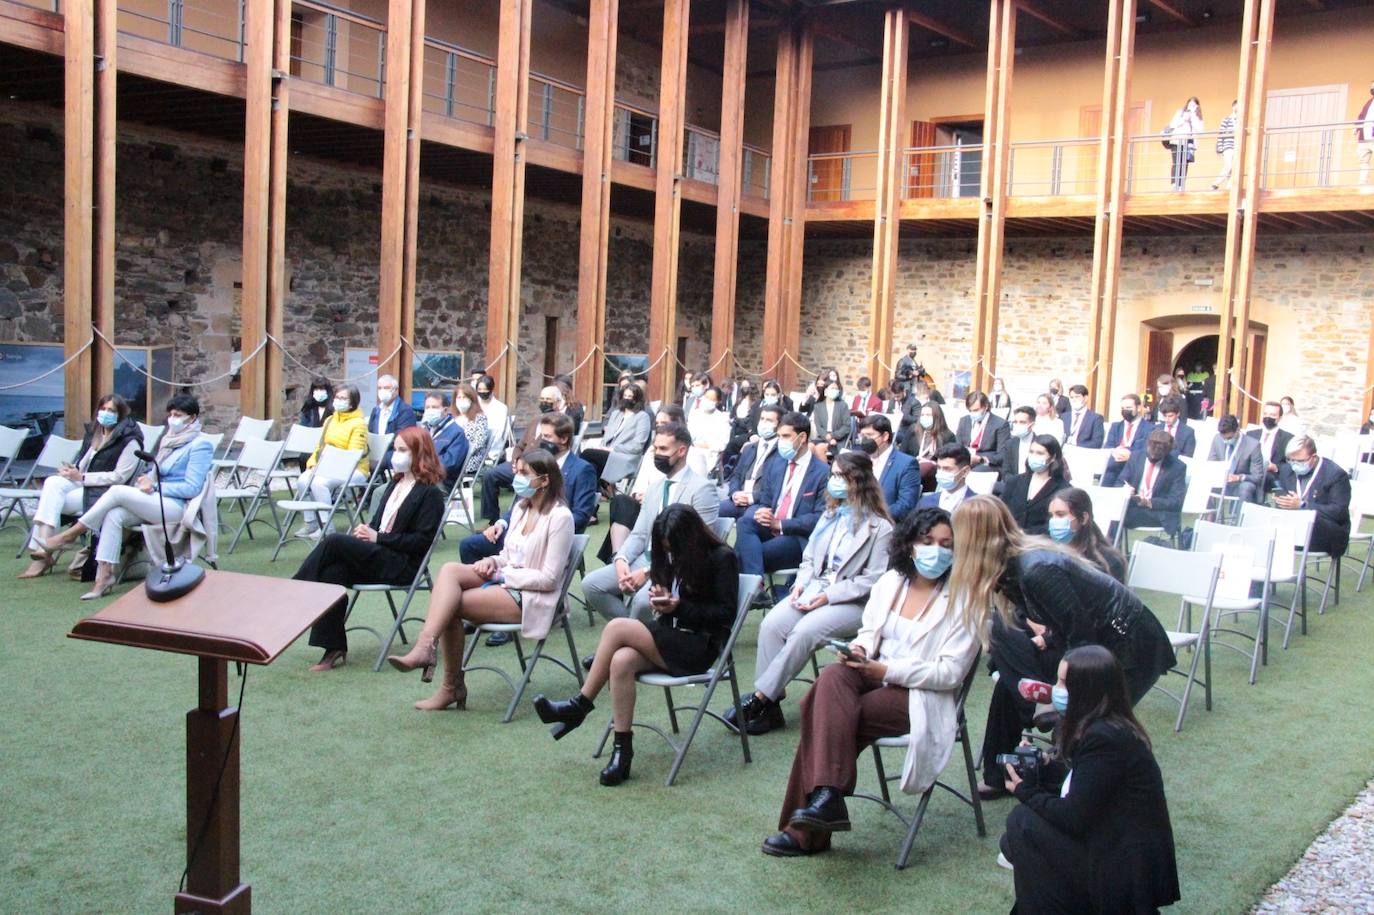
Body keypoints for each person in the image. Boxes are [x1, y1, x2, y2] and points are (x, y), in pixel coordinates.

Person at [759, 507, 983, 857]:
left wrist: (885, 672)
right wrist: (859, 651)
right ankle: (828, 798)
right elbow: (868, 634)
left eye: (946, 544)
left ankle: (808, 828)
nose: (936, 550)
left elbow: (949, 674)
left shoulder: (965, 599)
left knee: (825, 714)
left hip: (920, 695)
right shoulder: (892, 582)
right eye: (927, 541)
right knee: (833, 676)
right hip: (873, 673)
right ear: (910, 544)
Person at [952, 495, 1175, 798]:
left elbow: (1082, 637)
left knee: (1088, 723)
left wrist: (1066, 688)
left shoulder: (1036, 569)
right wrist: (1047, 645)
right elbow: (1068, 625)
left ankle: (1077, 789)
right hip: (1095, 640)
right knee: (1007, 671)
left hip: (1130, 647)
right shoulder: (1012, 566)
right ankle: (1000, 772)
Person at [533, 504, 739, 786]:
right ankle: (622, 751)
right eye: (665, 548)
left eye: (674, 548)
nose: (670, 554)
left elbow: (725, 615)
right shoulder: (672, 553)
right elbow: (670, 593)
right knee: (621, 661)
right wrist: (661, 596)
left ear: (690, 539)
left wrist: (678, 608)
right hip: (670, 636)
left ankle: (579, 706)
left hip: (699, 646)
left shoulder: (722, 558)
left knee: (618, 627)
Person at [387, 449, 574, 709]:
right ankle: (425, 648)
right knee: (450, 571)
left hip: (534, 596)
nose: (516, 478)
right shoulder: (520, 508)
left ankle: (450, 686)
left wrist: (502, 572)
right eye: (516, 472)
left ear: (544, 481)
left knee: (450, 605)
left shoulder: (561, 517)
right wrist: (492, 561)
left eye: (524, 474)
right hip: (506, 581)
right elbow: (508, 555)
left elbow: (550, 579)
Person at [1000, 645, 1180, 915]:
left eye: (1063, 683)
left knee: (1023, 823)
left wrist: (1024, 790)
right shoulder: (1110, 727)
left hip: (1125, 867)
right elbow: (1090, 783)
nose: (1055, 689)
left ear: (1086, 690)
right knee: (1018, 834)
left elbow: (1074, 816)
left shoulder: (1104, 737)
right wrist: (1045, 765)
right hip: (1118, 849)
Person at [732, 452, 893, 736]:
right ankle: (772, 706)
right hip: (813, 588)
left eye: (839, 476)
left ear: (858, 481)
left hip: (852, 602)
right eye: (832, 475)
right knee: (771, 625)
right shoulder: (831, 515)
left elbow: (874, 580)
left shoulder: (881, 528)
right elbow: (808, 559)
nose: (833, 481)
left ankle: (760, 700)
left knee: (803, 631)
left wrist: (829, 595)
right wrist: (800, 585)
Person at [296, 427, 446, 671]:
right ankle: (333, 647)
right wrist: (367, 532)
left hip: (403, 564)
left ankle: (295, 592)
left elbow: (421, 542)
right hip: (379, 556)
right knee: (333, 572)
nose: (395, 455)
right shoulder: (394, 484)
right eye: (394, 449)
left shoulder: (430, 494)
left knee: (334, 541)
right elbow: (377, 525)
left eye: (402, 450)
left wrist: (378, 538)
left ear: (419, 453)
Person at [44, 394, 215, 600]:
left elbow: (192, 488)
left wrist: (156, 486)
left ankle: (72, 533)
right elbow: (156, 472)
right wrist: (146, 480)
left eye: (177, 415)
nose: (172, 419)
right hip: (156, 502)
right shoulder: (169, 439)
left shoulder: (200, 445)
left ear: (192, 417)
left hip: (177, 506)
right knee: (114, 514)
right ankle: (104, 576)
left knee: (116, 491)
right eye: (170, 414)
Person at [581, 422, 718, 623]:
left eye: (663, 449)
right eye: (655, 448)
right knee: (591, 585)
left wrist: (648, 572)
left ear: (681, 451)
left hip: (678, 566)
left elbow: (698, 546)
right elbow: (640, 534)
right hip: (645, 559)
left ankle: (630, 641)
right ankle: (634, 634)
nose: (657, 454)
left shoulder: (702, 489)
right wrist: (621, 560)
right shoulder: (655, 488)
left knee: (642, 602)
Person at [20, 394, 143, 580]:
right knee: (52, 482)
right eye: (103, 409)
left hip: (103, 492)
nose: (105, 413)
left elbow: (120, 477)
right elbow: (84, 464)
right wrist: (72, 471)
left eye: (111, 411)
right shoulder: (96, 432)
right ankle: (44, 548)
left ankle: (43, 554)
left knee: (52, 501)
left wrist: (82, 477)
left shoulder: (129, 440)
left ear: (120, 415)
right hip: (83, 484)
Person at [460, 411, 597, 567]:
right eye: (541, 436)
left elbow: (581, 515)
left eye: (547, 437)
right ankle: (486, 586)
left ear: (564, 439)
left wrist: (543, 526)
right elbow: (522, 503)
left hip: (548, 539)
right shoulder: (537, 463)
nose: (542, 441)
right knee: (469, 545)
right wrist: (501, 523)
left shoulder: (582, 470)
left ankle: (496, 586)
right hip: (519, 532)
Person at [734, 411, 831, 599]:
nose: (780, 442)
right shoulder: (776, 465)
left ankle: (753, 588)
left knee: (745, 555)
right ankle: (757, 589)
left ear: (802, 437)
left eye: (786, 436)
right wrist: (762, 512)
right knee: (745, 522)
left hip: (797, 536)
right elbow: (766, 500)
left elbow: (820, 517)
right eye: (779, 436)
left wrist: (780, 524)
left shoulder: (822, 472)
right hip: (770, 526)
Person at [476, 384, 573, 525]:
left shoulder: (559, 426)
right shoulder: (535, 421)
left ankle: (518, 520)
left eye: (548, 400)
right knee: (490, 475)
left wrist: (525, 468)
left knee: (528, 483)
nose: (545, 402)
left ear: (558, 403)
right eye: (542, 399)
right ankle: (493, 520)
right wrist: (516, 462)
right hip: (519, 464)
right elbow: (520, 445)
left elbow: (551, 453)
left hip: (537, 468)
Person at [294, 384, 370, 540]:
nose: (339, 401)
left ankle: (326, 526)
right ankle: (311, 522)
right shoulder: (330, 420)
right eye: (337, 397)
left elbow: (352, 455)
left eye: (343, 398)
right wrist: (313, 463)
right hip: (327, 466)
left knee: (318, 483)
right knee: (303, 480)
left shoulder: (359, 424)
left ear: (352, 402)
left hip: (353, 469)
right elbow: (319, 446)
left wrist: (326, 467)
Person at [1277, 435, 1351, 559]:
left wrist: (1303, 505)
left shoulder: (1335, 475)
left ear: (1314, 457)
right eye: (1290, 460)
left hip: (1328, 531)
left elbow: (1339, 512)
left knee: (1310, 522)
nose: (1294, 465)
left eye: (1300, 461)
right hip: (1294, 528)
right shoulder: (1286, 470)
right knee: (1268, 530)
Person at [1115, 429, 1188, 538]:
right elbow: (1119, 482)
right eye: (1150, 455)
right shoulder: (1136, 457)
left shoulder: (1177, 467)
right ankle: (1110, 548)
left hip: (1157, 512)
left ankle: (1111, 549)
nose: (1152, 458)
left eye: (1156, 458)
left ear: (1166, 453)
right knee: (1111, 511)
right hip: (1133, 506)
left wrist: (1149, 502)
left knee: (1118, 516)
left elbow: (1176, 501)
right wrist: (1125, 489)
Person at [1047, 488, 1128, 582]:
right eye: (1051, 515)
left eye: (1060, 515)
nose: (1053, 521)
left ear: (1084, 518)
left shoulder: (1109, 560)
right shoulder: (1049, 555)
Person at [719, 405, 784, 520]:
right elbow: (736, 476)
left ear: (779, 425)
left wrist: (751, 497)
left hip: (760, 503)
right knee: (710, 511)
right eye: (762, 419)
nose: (764, 423)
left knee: (746, 521)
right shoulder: (750, 448)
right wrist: (735, 494)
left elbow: (777, 487)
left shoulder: (781, 452)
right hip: (738, 499)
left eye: (769, 420)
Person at [1000, 435, 1072, 536]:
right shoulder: (1014, 481)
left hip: (1039, 543)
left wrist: (1025, 533)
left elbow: (1055, 525)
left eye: (1040, 453)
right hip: (1009, 538)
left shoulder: (1064, 489)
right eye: (1031, 452)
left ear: (1052, 458)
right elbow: (1001, 511)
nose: (1034, 456)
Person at [855, 414, 921, 522]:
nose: (865, 440)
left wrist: (874, 516)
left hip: (885, 525)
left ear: (885, 436)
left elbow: (905, 505)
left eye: (869, 435)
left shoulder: (906, 464)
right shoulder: (858, 459)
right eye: (862, 436)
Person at [581, 381, 651, 479]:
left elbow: (637, 446)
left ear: (636, 399)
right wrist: (602, 447)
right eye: (625, 395)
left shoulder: (642, 417)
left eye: (630, 396)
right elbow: (607, 438)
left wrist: (614, 448)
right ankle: (598, 491)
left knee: (587, 454)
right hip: (607, 453)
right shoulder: (616, 414)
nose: (626, 398)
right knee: (591, 466)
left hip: (624, 457)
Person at [1207, 414, 1265, 508]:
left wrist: (1239, 477)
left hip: (1239, 483)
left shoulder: (1253, 445)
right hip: (1220, 481)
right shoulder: (1217, 439)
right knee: (1200, 482)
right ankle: (1209, 516)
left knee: (1246, 488)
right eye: (1223, 438)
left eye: (1229, 438)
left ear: (1237, 430)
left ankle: (1239, 521)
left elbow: (1257, 476)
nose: (1226, 440)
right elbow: (1211, 463)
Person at [1100, 394, 1154, 488]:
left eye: (1128, 407)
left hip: (1133, 468)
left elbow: (1146, 450)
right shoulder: (1115, 426)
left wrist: (1130, 455)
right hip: (1113, 465)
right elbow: (1108, 446)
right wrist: (1115, 452)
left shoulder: (1149, 428)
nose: (1125, 411)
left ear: (1138, 408)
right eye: (1123, 408)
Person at [899, 401, 955, 491]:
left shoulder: (948, 436)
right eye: (922, 415)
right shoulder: (913, 430)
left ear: (937, 417)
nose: (924, 418)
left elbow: (949, 461)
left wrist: (932, 464)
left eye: (928, 415)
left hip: (933, 475)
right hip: (911, 470)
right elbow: (902, 453)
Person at [368, 373, 417, 471]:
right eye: (379, 388)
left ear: (395, 390)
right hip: (374, 452)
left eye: (386, 388)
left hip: (393, 452)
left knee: (372, 464)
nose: (382, 391)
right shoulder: (376, 410)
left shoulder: (405, 411)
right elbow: (370, 433)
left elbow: (402, 437)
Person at [419, 392, 469, 488]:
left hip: (441, 482)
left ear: (445, 410)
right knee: (383, 491)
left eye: (434, 407)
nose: (430, 411)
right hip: (420, 476)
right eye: (427, 407)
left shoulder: (457, 433)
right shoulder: (424, 429)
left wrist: (422, 463)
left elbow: (450, 463)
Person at [1247, 400, 1293, 493]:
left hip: (1271, 475)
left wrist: (1275, 467)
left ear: (1280, 418)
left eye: (1272, 415)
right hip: (1250, 473)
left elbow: (1291, 464)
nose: (1268, 417)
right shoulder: (1250, 434)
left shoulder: (1288, 438)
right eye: (1265, 414)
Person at [686, 385, 731, 477]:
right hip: (690, 453)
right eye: (706, 397)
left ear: (717, 402)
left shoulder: (722, 418)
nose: (707, 401)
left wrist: (705, 445)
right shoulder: (695, 414)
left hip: (710, 457)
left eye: (712, 399)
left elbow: (722, 444)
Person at [956, 391, 1009, 470]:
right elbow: (958, 445)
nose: (972, 413)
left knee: (977, 470)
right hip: (965, 460)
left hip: (987, 464)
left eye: (976, 410)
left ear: (986, 406)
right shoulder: (964, 421)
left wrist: (981, 459)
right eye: (970, 411)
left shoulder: (1000, 424)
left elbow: (1002, 454)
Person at [918, 443, 975, 512]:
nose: (941, 472)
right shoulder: (925, 502)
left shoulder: (978, 505)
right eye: (939, 468)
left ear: (965, 471)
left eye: (947, 469)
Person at [449, 382, 490, 478]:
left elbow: (479, 443)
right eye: (459, 397)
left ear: (471, 399)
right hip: (452, 456)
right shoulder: (452, 418)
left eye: (465, 397)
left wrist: (460, 453)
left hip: (470, 458)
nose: (461, 400)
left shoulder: (480, 418)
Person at [1165, 96, 1203, 191]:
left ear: (1197, 106)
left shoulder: (1198, 116)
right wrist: (1184, 118)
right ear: (1187, 104)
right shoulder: (1180, 113)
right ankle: (1174, 184)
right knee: (1176, 162)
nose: (1191, 106)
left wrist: (1193, 116)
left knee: (1184, 164)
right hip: (1176, 141)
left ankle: (1181, 185)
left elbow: (1200, 130)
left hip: (1188, 143)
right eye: (1190, 104)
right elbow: (1173, 124)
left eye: (1194, 105)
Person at [809, 377, 850, 460]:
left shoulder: (843, 405)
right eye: (832, 388)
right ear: (826, 391)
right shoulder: (818, 406)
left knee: (820, 449)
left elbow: (846, 426)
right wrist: (826, 437)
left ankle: (825, 472)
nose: (835, 390)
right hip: (822, 437)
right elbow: (818, 426)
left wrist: (832, 436)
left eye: (836, 389)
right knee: (809, 447)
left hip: (838, 439)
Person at [474, 374, 509, 463]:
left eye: (485, 389)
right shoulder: (473, 404)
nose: (482, 392)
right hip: (473, 448)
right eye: (480, 389)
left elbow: (499, 432)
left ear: (491, 389)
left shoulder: (500, 407)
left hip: (492, 450)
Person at [998, 407, 1036, 481]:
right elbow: (1006, 472)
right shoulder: (1010, 444)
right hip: (1013, 484)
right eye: (1015, 422)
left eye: (1022, 422)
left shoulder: (1039, 444)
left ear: (1032, 425)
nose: (1017, 425)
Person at [725, 378, 760, 461]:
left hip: (745, 431)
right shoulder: (739, 400)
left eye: (746, 387)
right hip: (735, 429)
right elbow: (733, 413)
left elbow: (751, 419)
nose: (744, 389)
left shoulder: (756, 402)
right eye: (743, 387)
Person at [1212, 99, 1239, 190]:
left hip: (1237, 146)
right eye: (1237, 105)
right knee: (1229, 165)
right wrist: (1220, 147)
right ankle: (1216, 183)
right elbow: (1221, 133)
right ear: (1233, 107)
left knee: (1234, 167)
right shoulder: (1227, 119)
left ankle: (1229, 186)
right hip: (1227, 146)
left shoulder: (1241, 120)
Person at [1357, 81, 1374, 185]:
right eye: (1371, 87)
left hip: (1372, 134)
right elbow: (1361, 116)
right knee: (1363, 162)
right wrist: (1357, 127)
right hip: (1364, 137)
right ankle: (1363, 184)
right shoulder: (1369, 102)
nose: (1372, 88)